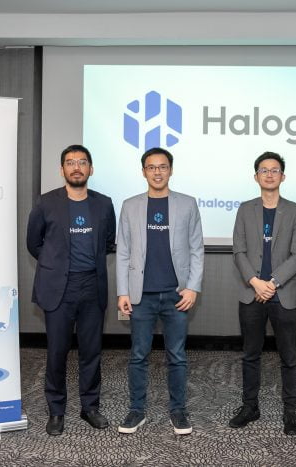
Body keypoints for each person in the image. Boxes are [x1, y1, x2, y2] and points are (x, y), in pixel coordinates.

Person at [26, 144, 116, 436]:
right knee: (57, 352)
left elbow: (108, 242)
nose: (76, 167)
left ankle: (90, 407)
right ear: (62, 169)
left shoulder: (104, 204)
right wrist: (56, 264)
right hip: (59, 289)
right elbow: (34, 243)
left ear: (91, 168)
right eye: (70, 162)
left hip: (92, 286)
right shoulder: (46, 202)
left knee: (92, 352)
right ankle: (56, 410)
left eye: (82, 162)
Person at [116, 147, 204, 435]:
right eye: (151, 167)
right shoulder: (130, 205)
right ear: (143, 172)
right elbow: (123, 252)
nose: (157, 172)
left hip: (177, 295)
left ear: (171, 170)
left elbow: (196, 248)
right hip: (140, 296)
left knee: (176, 356)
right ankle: (136, 410)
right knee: (138, 355)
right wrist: (122, 292)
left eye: (163, 166)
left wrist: (192, 287)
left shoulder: (187, 204)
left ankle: (178, 411)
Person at [228, 152, 296, 436]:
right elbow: (238, 250)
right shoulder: (244, 209)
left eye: (275, 170)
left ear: (283, 176)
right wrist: (255, 282)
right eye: (264, 170)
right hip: (251, 294)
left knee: (289, 356)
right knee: (250, 354)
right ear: (256, 176)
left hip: (283, 294)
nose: (270, 174)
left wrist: (271, 283)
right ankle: (250, 407)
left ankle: (290, 411)